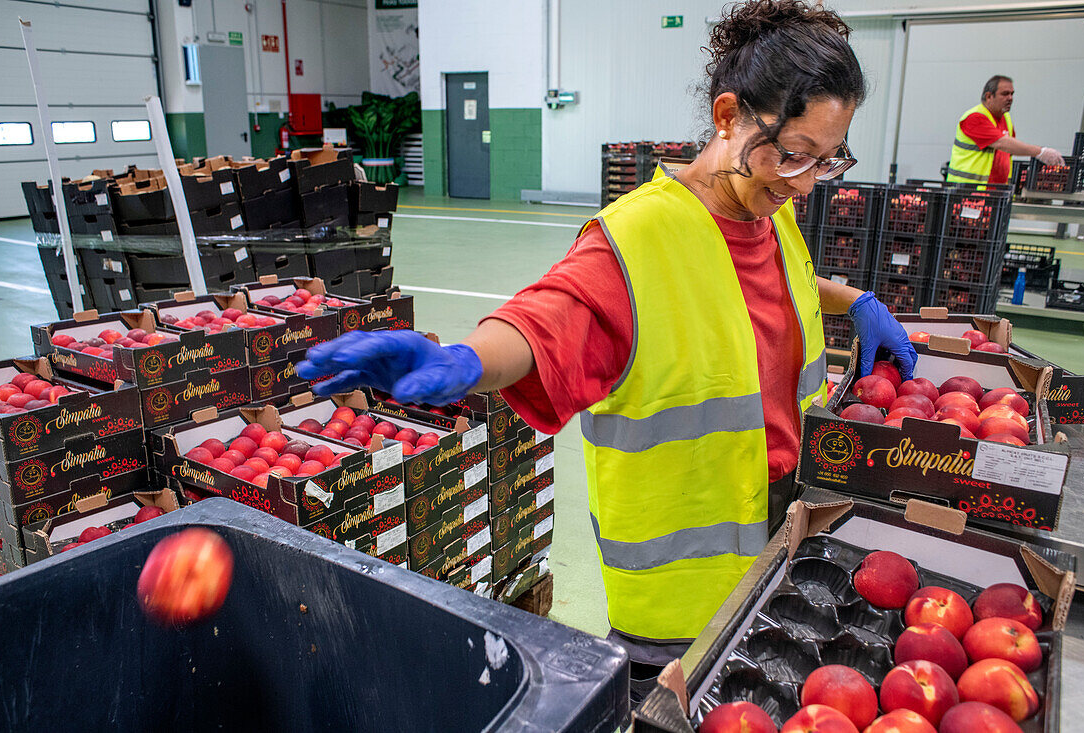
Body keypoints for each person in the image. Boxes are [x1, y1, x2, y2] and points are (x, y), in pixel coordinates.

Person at [299, 0, 917, 705]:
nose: (806, 181)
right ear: (727, 117)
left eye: (828, 159)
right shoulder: (637, 239)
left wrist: (853, 299)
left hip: (783, 562)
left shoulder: (769, 211)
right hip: (687, 614)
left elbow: (768, 285)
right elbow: (551, 318)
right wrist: (469, 360)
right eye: (794, 153)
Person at [947, 75, 1063, 186]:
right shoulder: (975, 118)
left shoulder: (1005, 117)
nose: (1010, 98)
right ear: (988, 96)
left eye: (1012, 94)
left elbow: (1010, 149)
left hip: (996, 194)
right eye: (1005, 94)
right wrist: (1040, 152)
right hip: (969, 194)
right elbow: (1003, 143)